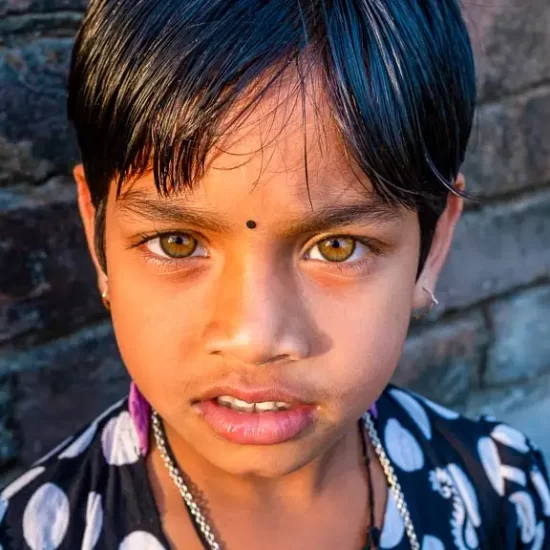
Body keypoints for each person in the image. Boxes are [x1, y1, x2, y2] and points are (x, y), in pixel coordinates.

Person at [1, 0, 549, 548]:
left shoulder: (500, 492)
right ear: (98, 238)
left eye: (337, 247)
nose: (255, 338)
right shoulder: (33, 533)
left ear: (431, 249)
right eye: (177, 243)